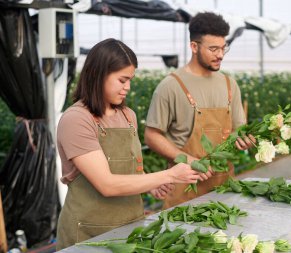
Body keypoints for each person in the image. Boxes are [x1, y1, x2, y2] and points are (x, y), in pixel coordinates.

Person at [55, 38, 201, 250]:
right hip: (90, 233)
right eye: (122, 80)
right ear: (98, 75)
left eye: (130, 80)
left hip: (130, 228)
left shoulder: (127, 115)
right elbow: (107, 184)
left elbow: (126, 167)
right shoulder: (77, 119)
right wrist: (169, 175)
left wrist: (151, 184)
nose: (128, 88)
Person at [144, 12, 255, 209]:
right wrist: (188, 160)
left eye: (223, 48)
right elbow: (152, 136)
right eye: (213, 49)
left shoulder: (230, 85)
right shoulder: (170, 86)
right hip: (183, 188)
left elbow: (240, 129)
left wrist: (245, 139)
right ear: (194, 46)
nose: (220, 55)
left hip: (224, 187)